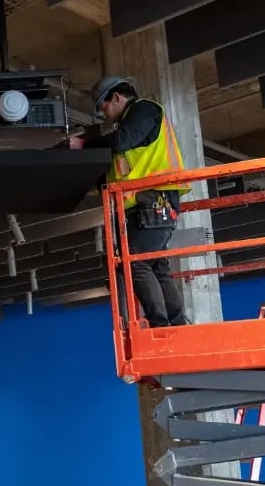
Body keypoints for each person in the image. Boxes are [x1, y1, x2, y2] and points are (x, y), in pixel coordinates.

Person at [70, 76, 192, 327]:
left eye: (104, 108)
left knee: (136, 263)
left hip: (153, 200)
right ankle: (176, 323)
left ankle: (160, 324)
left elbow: (121, 141)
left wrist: (84, 145)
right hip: (145, 204)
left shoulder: (144, 110)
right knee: (155, 265)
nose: (105, 115)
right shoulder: (127, 125)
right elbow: (117, 167)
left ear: (116, 98)